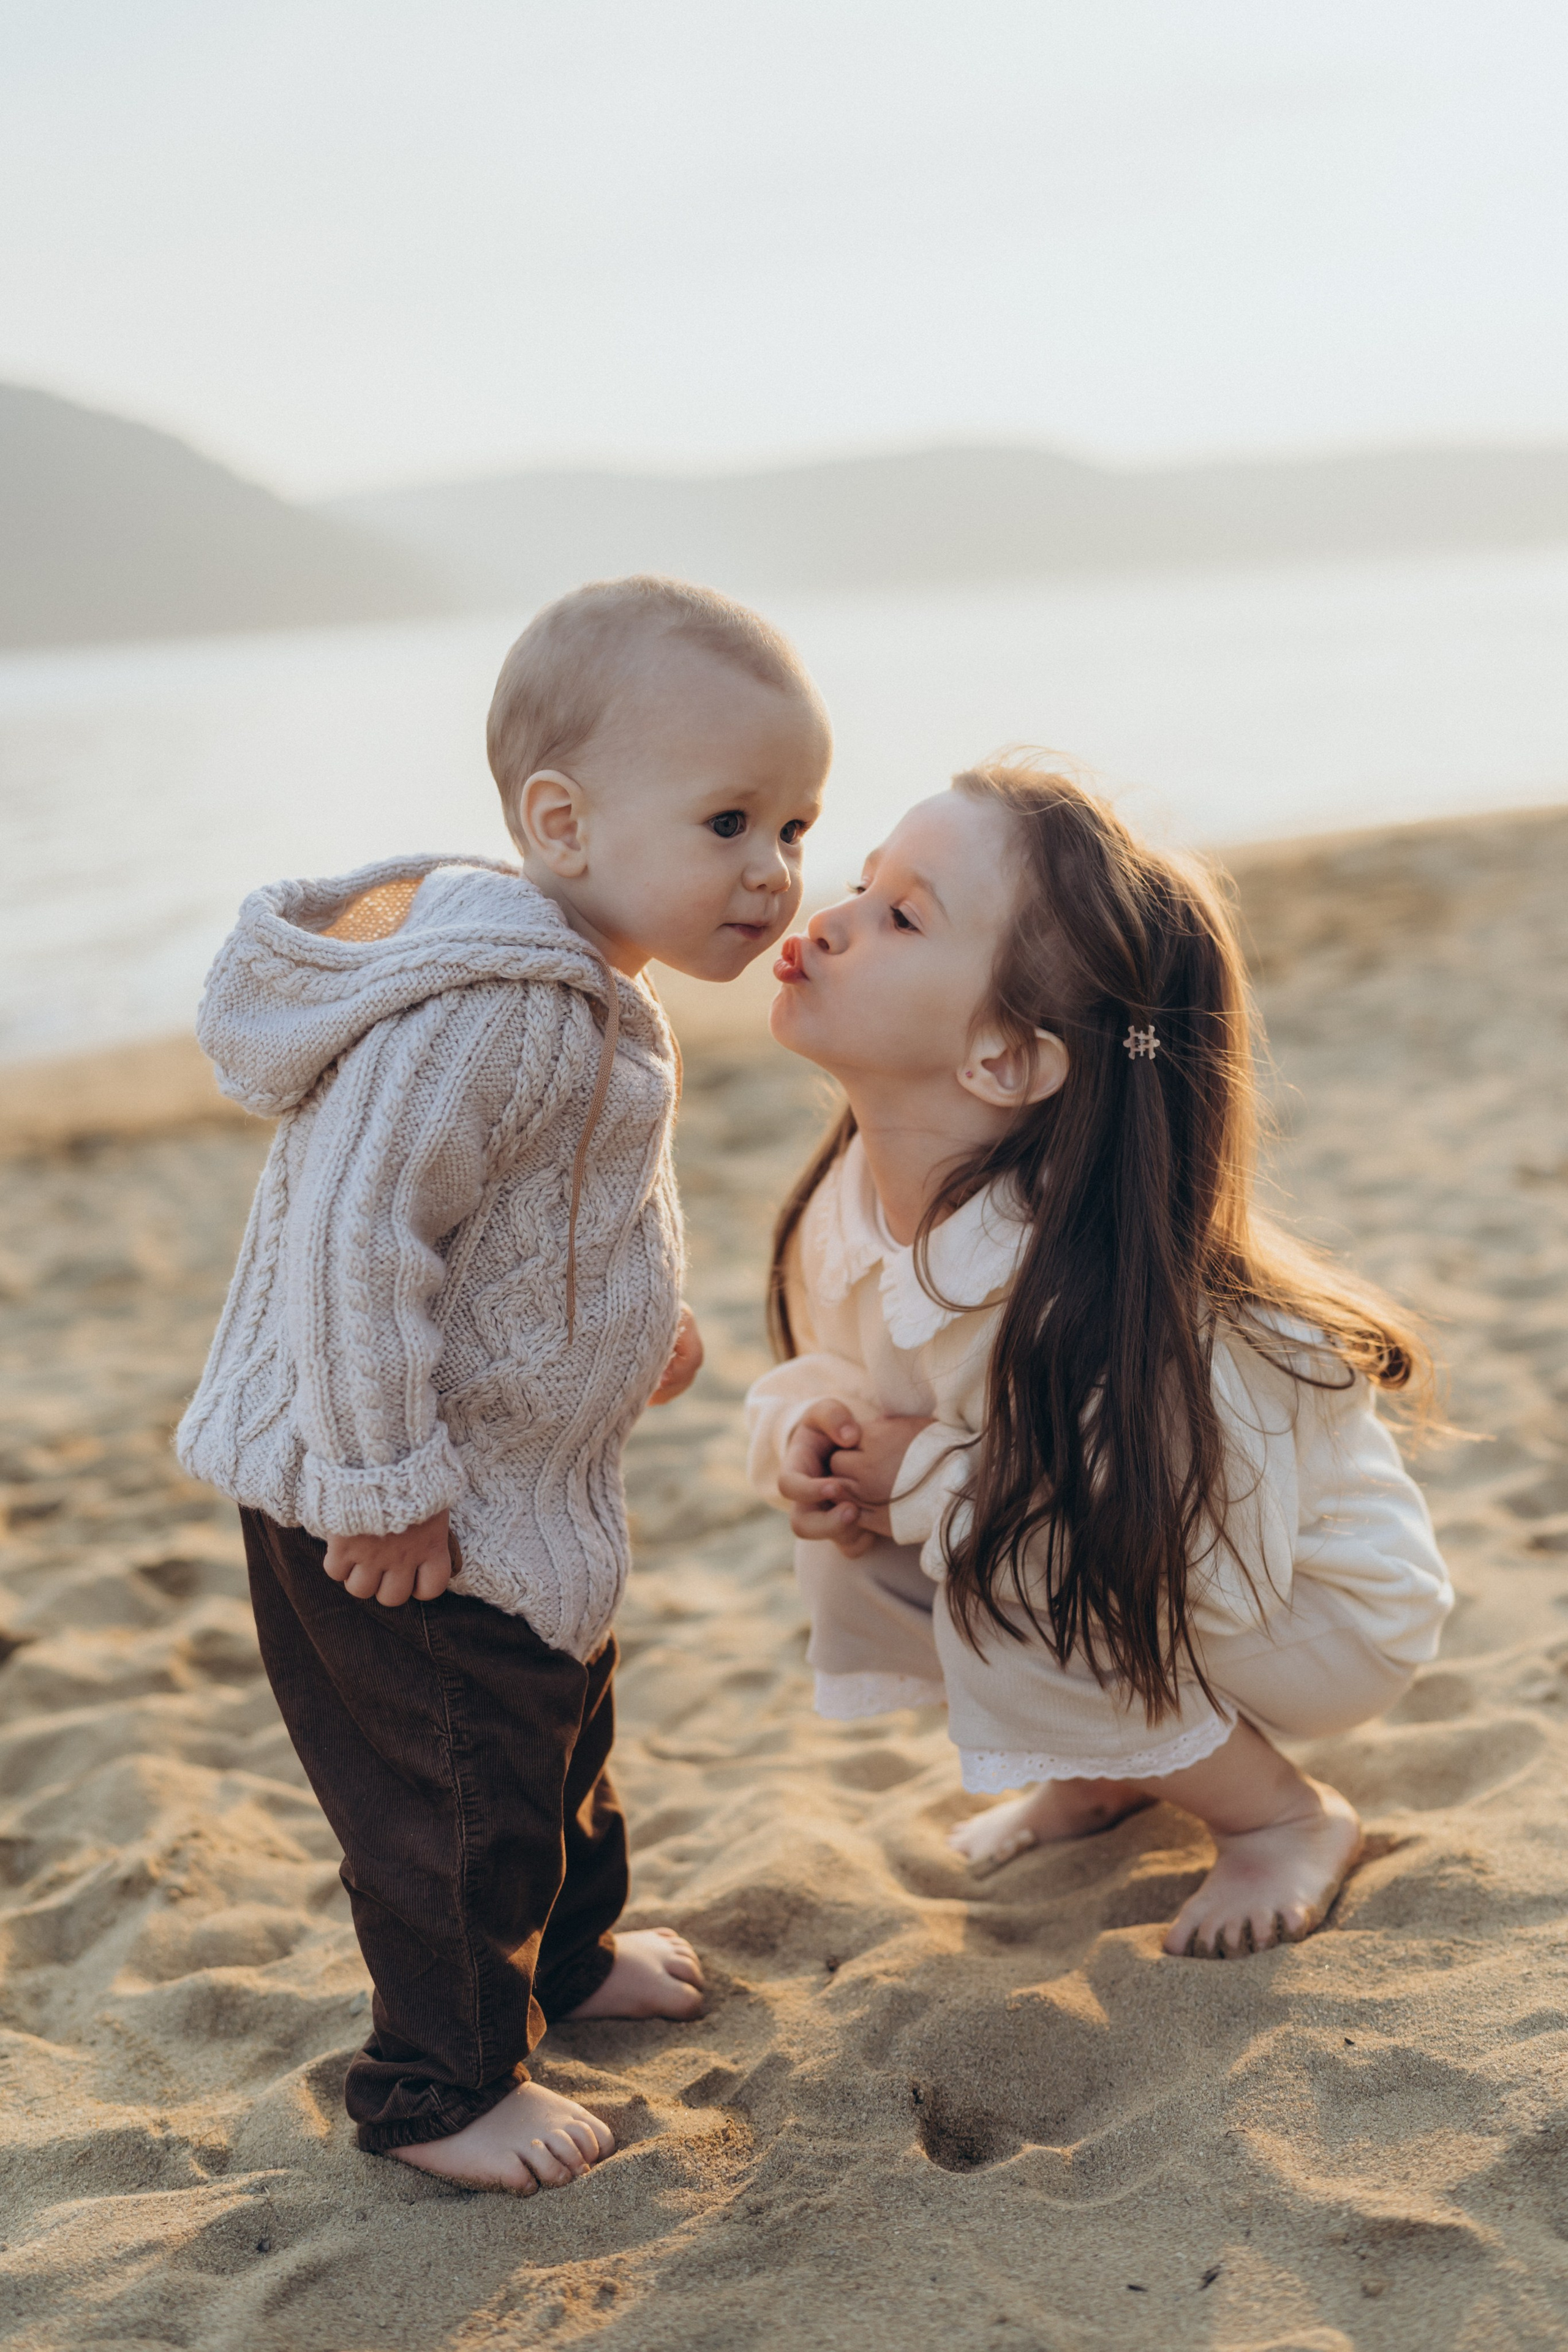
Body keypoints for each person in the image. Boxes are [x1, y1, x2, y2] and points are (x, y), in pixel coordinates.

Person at [178, 576, 832, 2189]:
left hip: (505, 1482)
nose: (774, 874)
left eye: (799, 827)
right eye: (732, 821)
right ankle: (442, 2089)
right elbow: (351, 1241)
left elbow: (553, 1223)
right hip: (386, 1492)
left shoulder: (591, 989)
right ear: (560, 819)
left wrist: (641, 1328)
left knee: (552, 1722)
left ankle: (562, 1962)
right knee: (453, 1793)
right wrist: (380, 1486)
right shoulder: (487, 1010)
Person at [747, 760, 1450, 1960]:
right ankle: (1103, 1768)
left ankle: (1281, 1816)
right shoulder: (856, 1203)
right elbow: (854, 1374)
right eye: (863, 883)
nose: (830, 916)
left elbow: (1150, 1549)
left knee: (1007, 1569)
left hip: (1307, 1604)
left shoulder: (1078, 1280)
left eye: (901, 915)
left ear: (1003, 1061)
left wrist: (921, 1476)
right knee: (866, 1550)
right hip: (1126, 1551)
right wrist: (816, 1438)